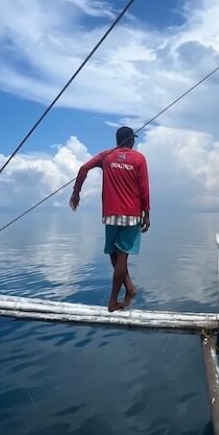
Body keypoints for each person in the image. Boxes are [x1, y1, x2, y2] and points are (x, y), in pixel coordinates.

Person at [69, 126, 150, 312]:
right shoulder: (139, 159)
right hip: (132, 214)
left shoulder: (106, 156)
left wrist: (76, 192)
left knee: (114, 254)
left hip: (111, 214)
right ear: (130, 141)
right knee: (120, 257)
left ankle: (129, 289)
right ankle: (114, 300)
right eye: (133, 140)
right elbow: (144, 187)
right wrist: (147, 212)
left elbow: (83, 168)